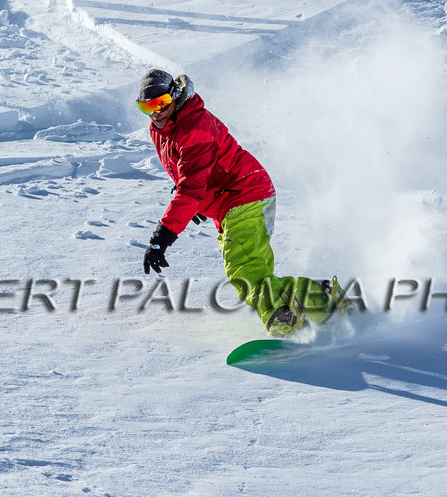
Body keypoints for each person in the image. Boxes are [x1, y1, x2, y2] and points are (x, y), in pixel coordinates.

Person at [135, 68, 344, 337]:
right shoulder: (162, 128)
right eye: (147, 107)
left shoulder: (194, 128)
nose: (155, 113)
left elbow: (190, 187)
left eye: (161, 103)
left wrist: (162, 238)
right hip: (236, 197)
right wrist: (199, 199)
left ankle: (285, 321)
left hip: (244, 195)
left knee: (245, 272)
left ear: (174, 96)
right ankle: (325, 302)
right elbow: (191, 173)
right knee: (257, 274)